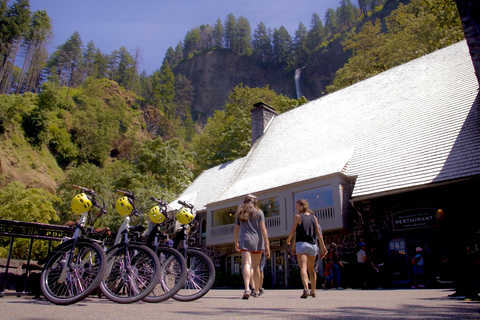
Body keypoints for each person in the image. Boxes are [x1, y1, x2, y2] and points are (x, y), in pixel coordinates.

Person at [286, 199, 327, 298]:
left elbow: (293, 231)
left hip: (302, 245)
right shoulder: (314, 218)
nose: (296, 208)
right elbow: (318, 233)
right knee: (311, 269)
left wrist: (289, 239)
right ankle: (314, 291)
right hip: (313, 246)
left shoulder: (297, 217)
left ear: (302, 206)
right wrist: (323, 246)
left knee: (303, 268)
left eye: (297, 206)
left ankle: (306, 289)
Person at [233, 194, 270, 299]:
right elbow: (263, 229)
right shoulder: (259, 212)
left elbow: (236, 229)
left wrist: (236, 242)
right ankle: (257, 291)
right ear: (255, 201)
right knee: (256, 267)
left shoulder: (240, 213)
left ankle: (247, 289)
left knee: (246, 264)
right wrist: (267, 245)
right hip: (257, 241)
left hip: (245, 240)